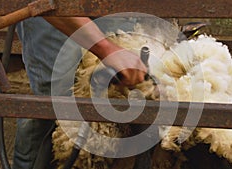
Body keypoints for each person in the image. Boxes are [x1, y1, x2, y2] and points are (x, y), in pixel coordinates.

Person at [13, 16, 146, 169]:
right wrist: (106, 48)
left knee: (118, 101)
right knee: (56, 101)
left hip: (113, 10)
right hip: (57, 12)